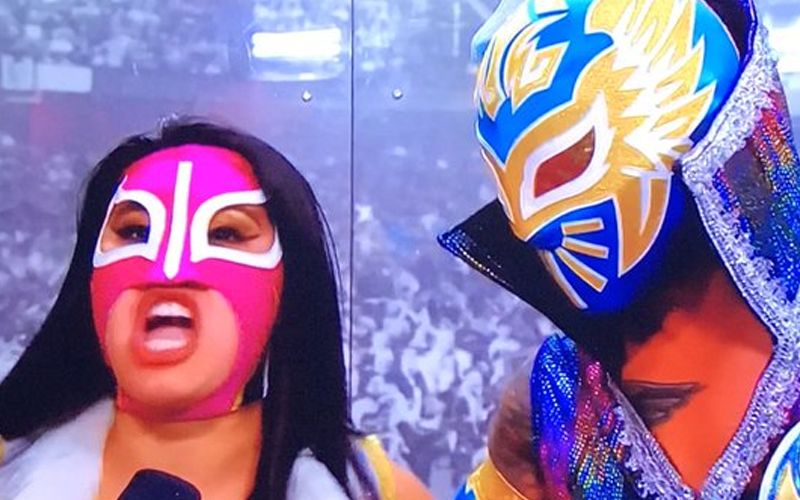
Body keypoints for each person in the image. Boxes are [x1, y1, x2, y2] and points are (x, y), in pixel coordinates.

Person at [438, 0, 800, 498]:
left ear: (705, 128)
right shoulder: (555, 401)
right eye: (505, 185)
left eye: (568, 159)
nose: (529, 227)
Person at [0, 119, 432, 500]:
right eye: (135, 231)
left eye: (225, 233)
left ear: (288, 287)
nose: (169, 270)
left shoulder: (372, 489)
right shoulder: (9, 463)